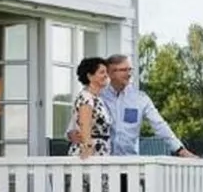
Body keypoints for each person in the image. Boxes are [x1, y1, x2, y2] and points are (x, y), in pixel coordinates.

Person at [68, 53, 196, 158]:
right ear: (110, 72)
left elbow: (160, 125)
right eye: (124, 70)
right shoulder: (96, 96)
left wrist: (180, 150)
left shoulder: (140, 99)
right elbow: (77, 124)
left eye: (130, 69)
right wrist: (71, 134)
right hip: (104, 161)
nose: (129, 73)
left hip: (129, 165)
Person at [69, 57, 112, 192]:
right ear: (90, 76)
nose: (106, 76)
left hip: (102, 151)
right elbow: (85, 127)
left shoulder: (98, 98)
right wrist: (87, 150)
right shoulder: (86, 98)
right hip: (91, 154)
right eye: (102, 72)